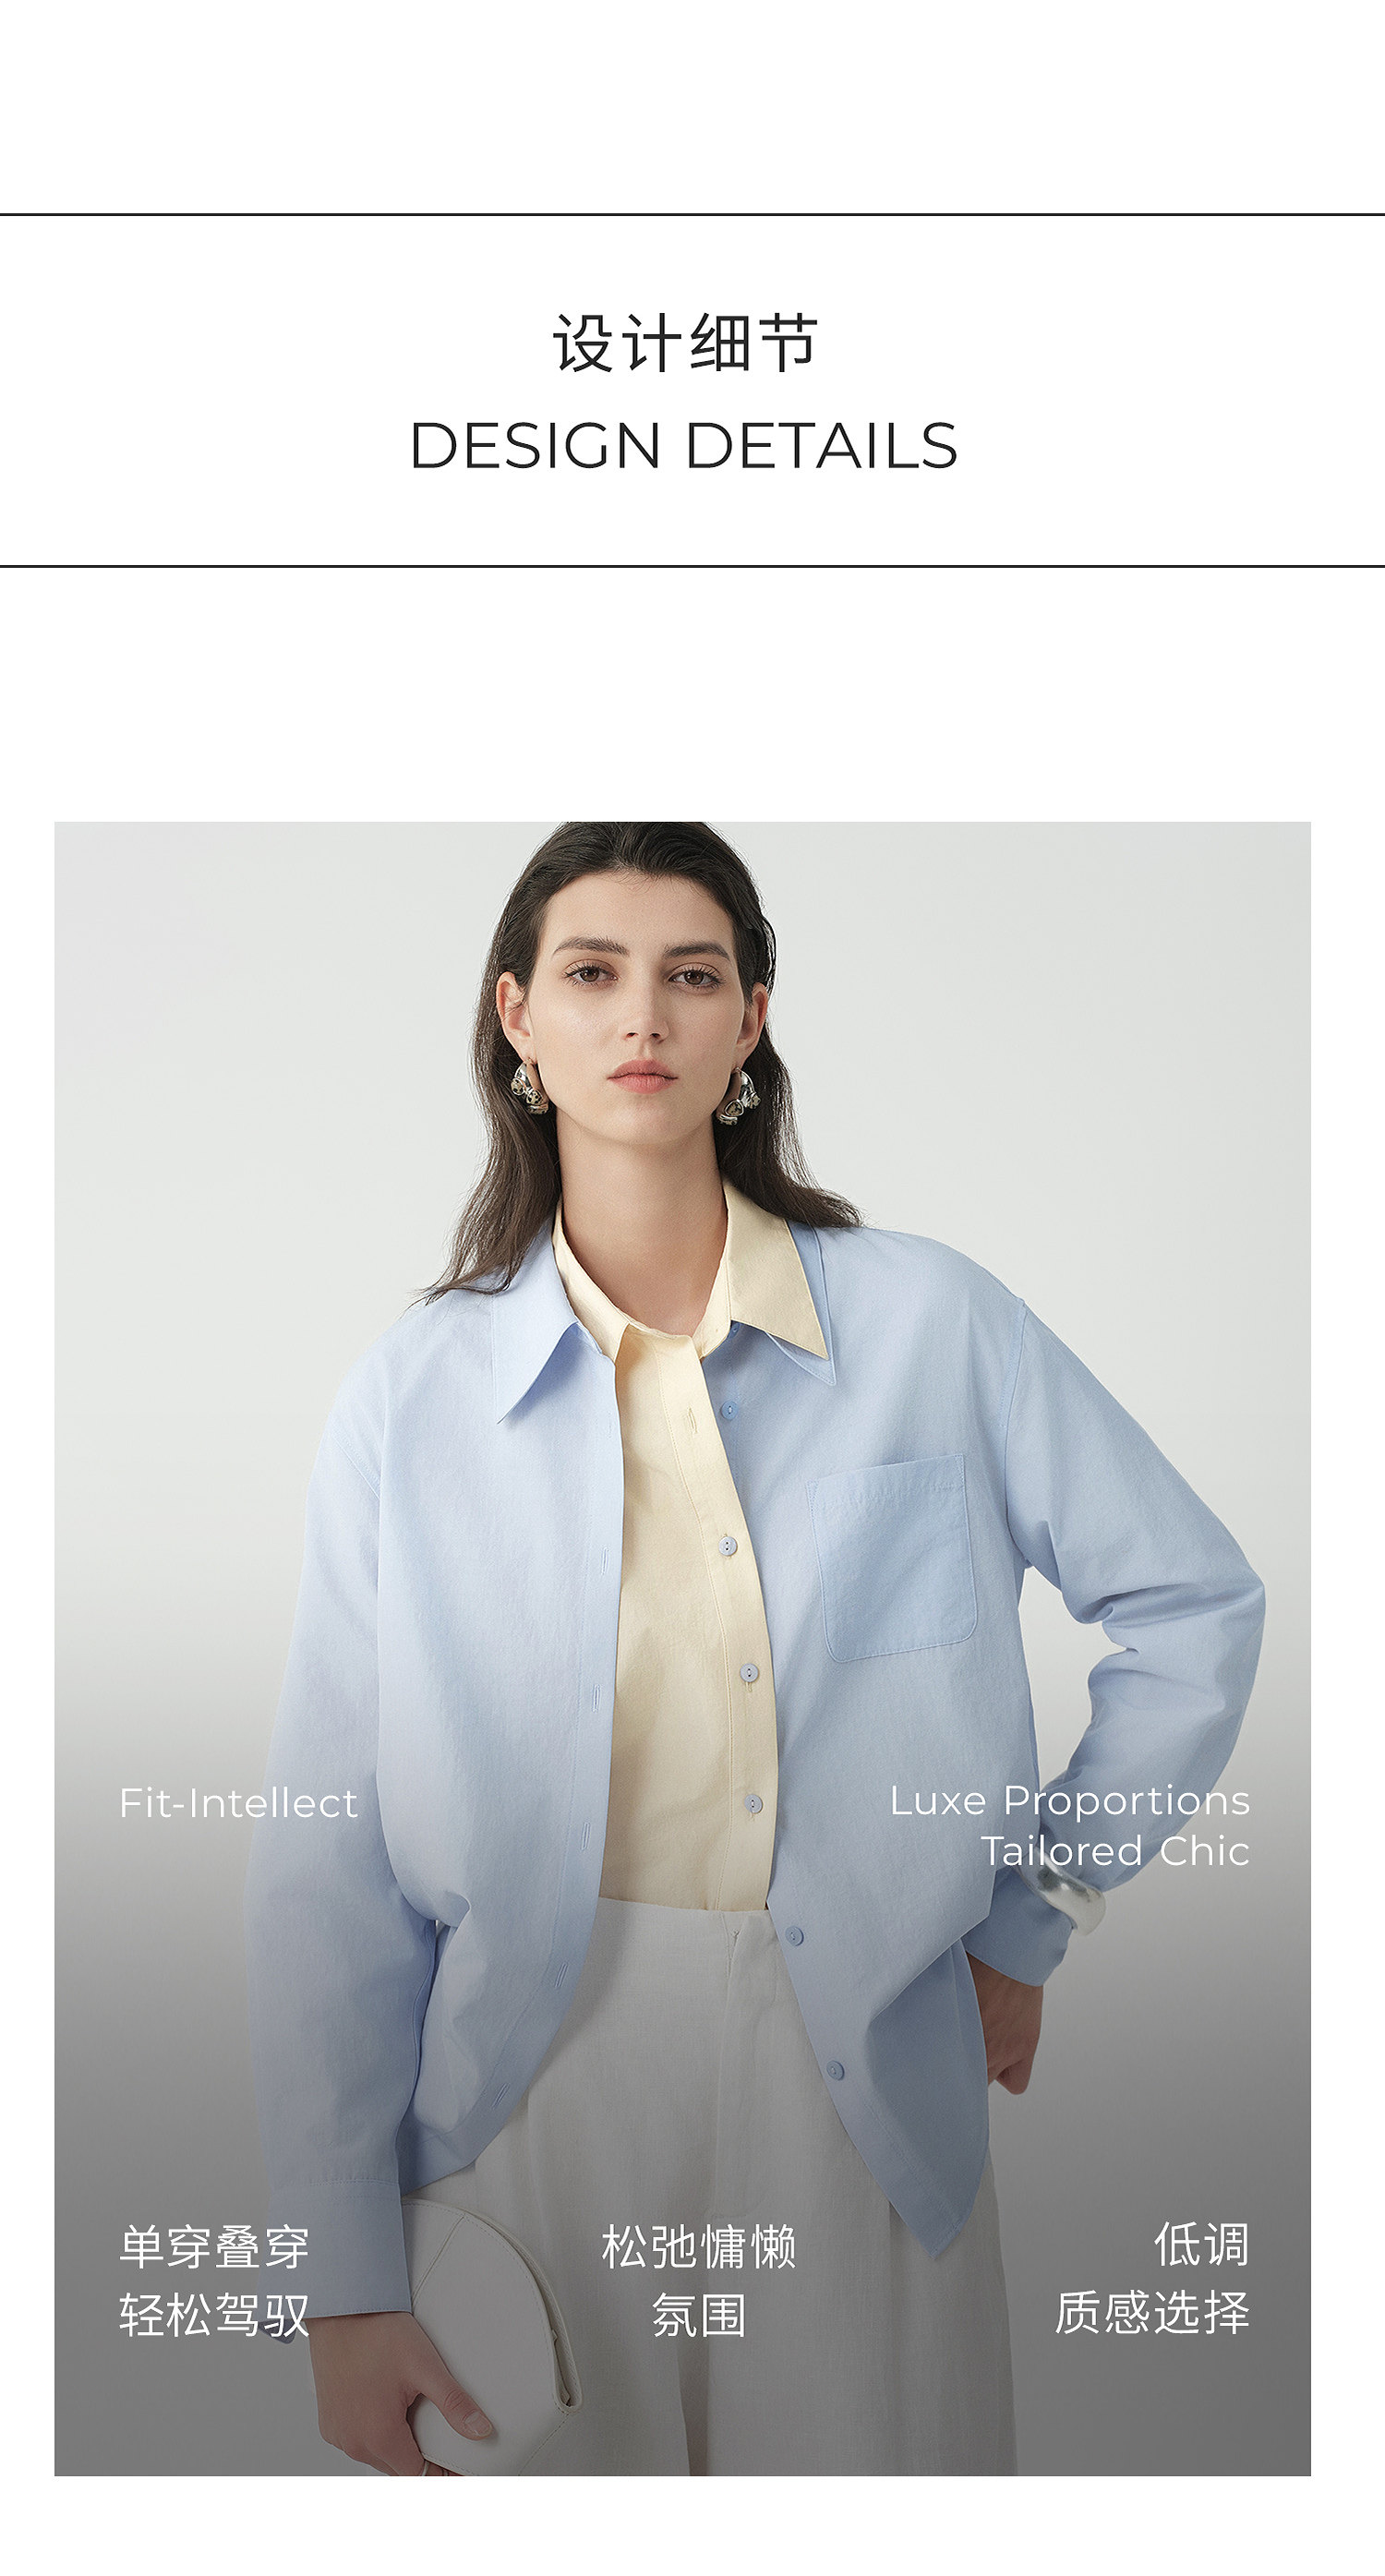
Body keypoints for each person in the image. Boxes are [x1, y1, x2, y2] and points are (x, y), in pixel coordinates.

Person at [243, 820, 1266, 2476]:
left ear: (750, 1021)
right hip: (522, 2098)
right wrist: (340, 2279)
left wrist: (1034, 1915)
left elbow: (1196, 1604)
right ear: (518, 1018)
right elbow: (329, 1866)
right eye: (592, 972)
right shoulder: (411, 1401)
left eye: (692, 974)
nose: (642, 1014)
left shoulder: (934, 1325)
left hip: (860, 2084)